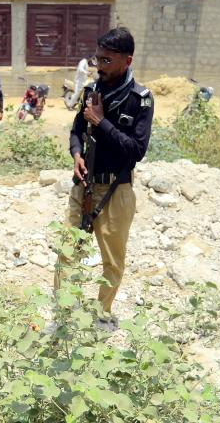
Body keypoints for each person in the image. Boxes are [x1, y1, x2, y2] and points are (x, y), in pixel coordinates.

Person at [53, 27, 153, 323]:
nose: (100, 66)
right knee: (67, 252)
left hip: (115, 191)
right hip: (84, 186)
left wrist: (101, 121)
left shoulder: (140, 99)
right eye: (98, 59)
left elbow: (136, 151)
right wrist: (76, 155)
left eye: (107, 60)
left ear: (127, 60)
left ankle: (99, 316)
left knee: (112, 261)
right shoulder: (91, 90)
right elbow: (76, 131)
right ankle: (63, 316)